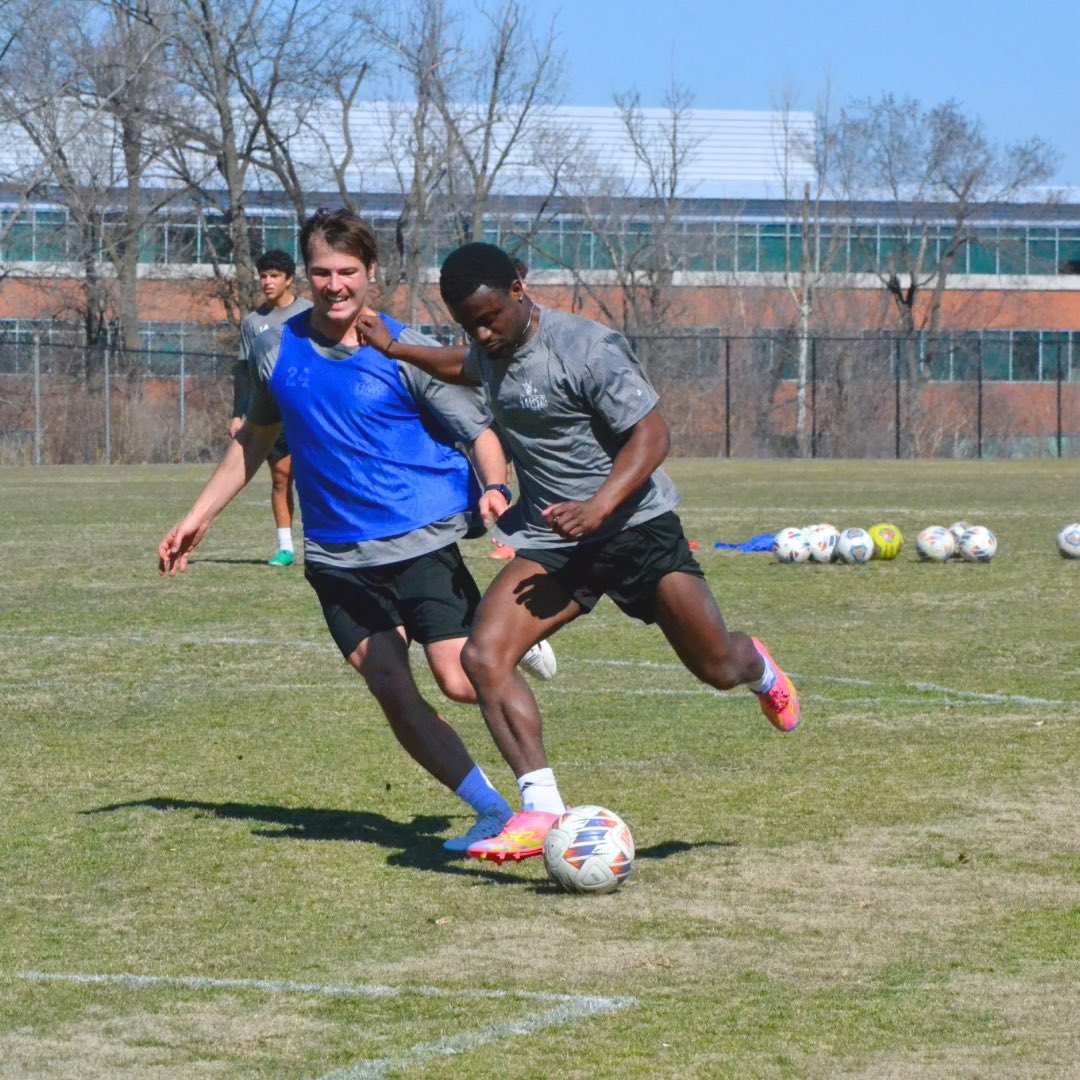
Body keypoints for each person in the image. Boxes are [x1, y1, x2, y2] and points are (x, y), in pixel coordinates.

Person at [356, 241, 799, 863]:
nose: (482, 334)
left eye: (490, 318)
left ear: (520, 288)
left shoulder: (587, 347)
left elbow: (653, 434)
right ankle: (540, 809)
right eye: (469, 324)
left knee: (717, 666)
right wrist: (399, 349)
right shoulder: (490, 349)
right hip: (555, 539)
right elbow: (463, 364)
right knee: (484, 656)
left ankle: (760, 670)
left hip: (636, 529)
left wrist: (599, 505)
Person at [160, 213, 556, 853]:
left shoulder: (404, 349)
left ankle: (507, 650)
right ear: (306, 274)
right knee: (392, 688)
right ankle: (490, 810)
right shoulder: (274, 347)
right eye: (322, 272)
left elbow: (480, 431)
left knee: (460, 681)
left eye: (347, 271)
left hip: (419, 539)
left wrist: (495, 486)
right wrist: (197, 517)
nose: (334, 285)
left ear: (371, 273)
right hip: (338, 557)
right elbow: (255, 438)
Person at [231, 249, 312, 566]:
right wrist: (237, 414)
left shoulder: (309, 312)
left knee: (313, 477)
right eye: (263, 276)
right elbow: (244, 371)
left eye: (274, 275)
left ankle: (323, 541)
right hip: (270, 414)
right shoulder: (252, 323)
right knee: (281, 478)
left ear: (289, 279)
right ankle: (286, 548)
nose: (267, 281)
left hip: (306, 412)